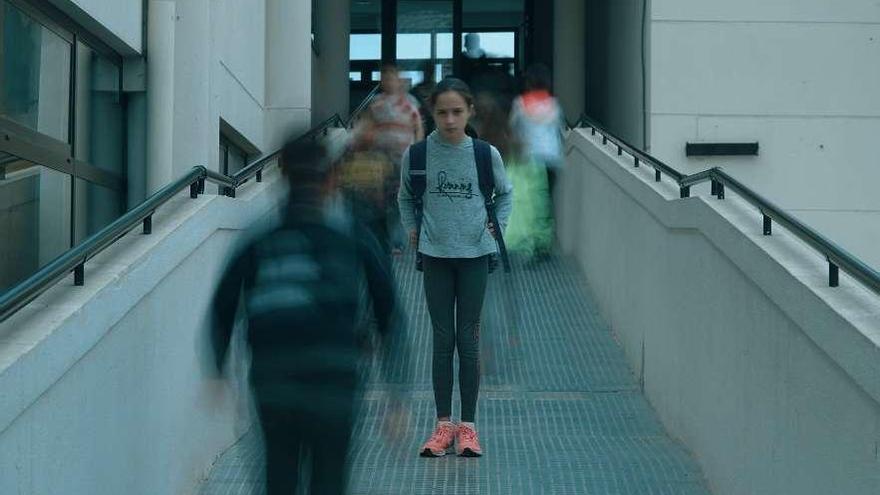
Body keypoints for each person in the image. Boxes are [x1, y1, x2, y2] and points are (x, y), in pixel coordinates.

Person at [210, 138, 406, 494]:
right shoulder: (352, 237)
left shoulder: (260, 240)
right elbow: (389, 312)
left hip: (274, 378)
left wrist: (217, 369)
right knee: (329, 480)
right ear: (331, 179)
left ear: (282, 175)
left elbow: (223, 306)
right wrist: (395, 392)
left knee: (279, 477)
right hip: (335, 377)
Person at [398, 77, 513, 458]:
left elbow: (506, 194)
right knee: (441, 339)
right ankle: (442, 425)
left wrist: (499, 228)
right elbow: (403, 197)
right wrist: (413, 229)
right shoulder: (416, 155)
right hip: (435, 257)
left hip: (475, 256)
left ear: (469, 112)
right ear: (432, 113)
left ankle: (469, 427)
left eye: (457, 112)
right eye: (442, 112)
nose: (449, 120)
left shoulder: (484, 154)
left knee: (469, 338)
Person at [354, 63, 424, 254]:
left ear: (398, 80)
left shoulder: (409, 102)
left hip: (402, 160)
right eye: (385, 78)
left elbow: (418, 126)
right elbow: (365, 126)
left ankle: (396, 241)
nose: (388, 81)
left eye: (391, 77)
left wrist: (416, 152)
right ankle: (382, 239)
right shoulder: (376, 103)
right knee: (380, 202)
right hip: (379, 161)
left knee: (397, 202)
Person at [509, 64, 565, 202]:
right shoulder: (554, 104)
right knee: (547, 197)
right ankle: (545, 221)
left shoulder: (520, 103)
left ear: (529, 82)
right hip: (551, 157)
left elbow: (512, 128)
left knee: (530, 198)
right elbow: (560, 129)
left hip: (529, 157)